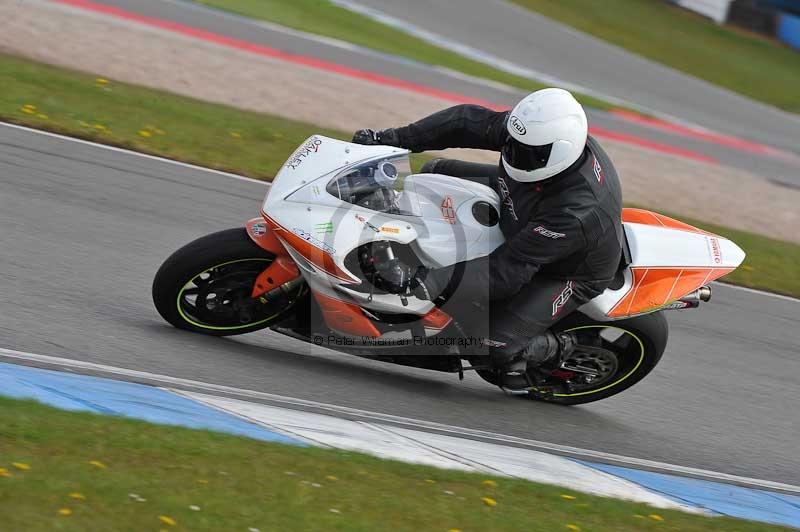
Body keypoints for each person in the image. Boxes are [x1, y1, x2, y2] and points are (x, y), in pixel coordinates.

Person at [352, 88, 623, 389]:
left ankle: (553, 351)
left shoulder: (574, 209)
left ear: (559, 152)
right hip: (525, 201)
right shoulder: (533, 137)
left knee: (492, 346)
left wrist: (420, 281)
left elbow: (506, 272)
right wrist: (390, 139)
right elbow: (464, 121)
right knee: (434, 173)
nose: (513, 153)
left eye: (526, 153)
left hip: (567, 269)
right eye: (512, 143)